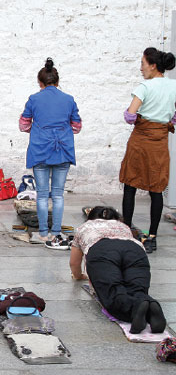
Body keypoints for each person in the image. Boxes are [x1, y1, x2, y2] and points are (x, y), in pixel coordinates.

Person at [70, 206, 166, 334]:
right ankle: (148, 304)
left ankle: (135, 310)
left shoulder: (84, 227)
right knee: (136, 287)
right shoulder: (124, 226)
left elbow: (74, 263)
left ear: (90, 218)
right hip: (135, 249)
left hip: (102, 249)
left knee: (113, 291)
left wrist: (79, 276)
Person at [19, 58, 82, 249]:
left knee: (41, 195)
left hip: (40, 149)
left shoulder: (34, 99)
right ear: (57, 81)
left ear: (40, 82)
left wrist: (36, 129)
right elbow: (77, 126)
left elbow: (23, 124)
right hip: (62, 149)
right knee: (58, 195)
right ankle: (56, 233)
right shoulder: (69, 99)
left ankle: (43, 234)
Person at [119, 47, 176, 253]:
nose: (141, 68)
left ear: (153, 66)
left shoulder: (144, 86)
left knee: (130, 184)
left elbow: (130, 115)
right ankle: (152, 237)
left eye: (142, 64)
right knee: (156, 188)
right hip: (160, 141)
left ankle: (126, 232)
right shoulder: (174, 86)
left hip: (140, 140)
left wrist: (138, 115)